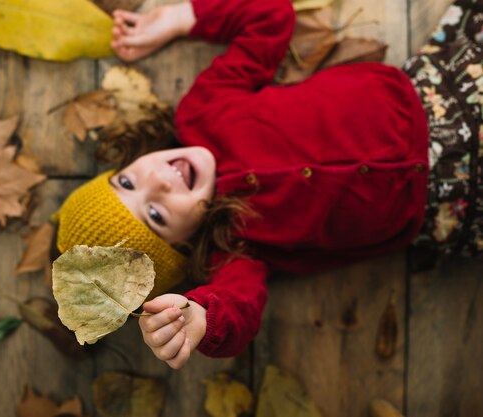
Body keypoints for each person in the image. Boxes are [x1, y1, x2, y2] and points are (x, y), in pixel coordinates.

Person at [55, 0, 483, 369]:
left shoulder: (202, 111)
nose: (158, 181)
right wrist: (201, 318)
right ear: (184, 247)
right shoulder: (235, 249)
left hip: (433, 96)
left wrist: (183, 17)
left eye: (127, 180)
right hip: (451, 202)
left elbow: (270, 18)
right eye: (155, 214)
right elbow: (239, 311)